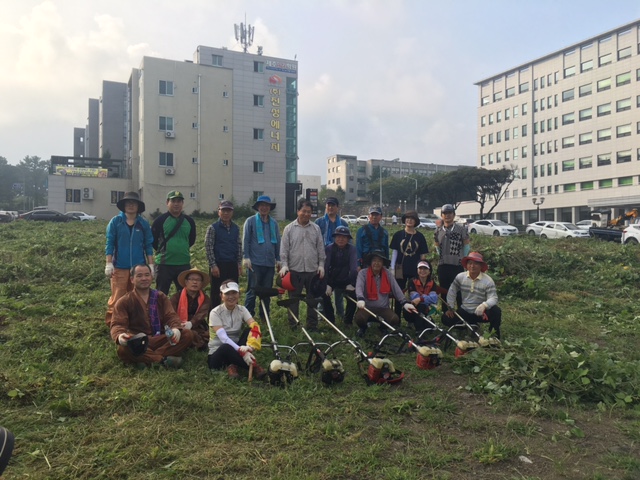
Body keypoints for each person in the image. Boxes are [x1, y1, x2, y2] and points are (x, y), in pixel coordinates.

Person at [110, 264, 194, 368]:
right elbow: (117, 324)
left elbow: (170, 316)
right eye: (139, 276)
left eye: (147, 275)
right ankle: (162, 360)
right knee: (123, 349)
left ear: (151, 277)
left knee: (187, 334)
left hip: (160, 338)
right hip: (139, 340)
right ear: (132, 279)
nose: (144, 278)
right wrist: (120, 336)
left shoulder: (160, 296)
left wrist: (176, 328)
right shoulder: (124, 301)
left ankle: (146, 359)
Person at [104, 191, 154, 326]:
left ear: (138, 206)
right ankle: (114, 324)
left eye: (134, 203)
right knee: (118, 297)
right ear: (124, 205)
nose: (131, 205)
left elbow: (148, 245)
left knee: (137, 297)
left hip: (138, 268)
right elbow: (109, 243)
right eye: (128, 203)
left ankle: (134, 323)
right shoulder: (116, 222)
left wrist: (151, 266)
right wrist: (109, 263)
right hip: (119, 266)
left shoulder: (143, 224)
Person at [279, 198, 326, 331]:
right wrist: (284, 265)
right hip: (295, 270)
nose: (306, 214)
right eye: (303, 211)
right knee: (294, 299)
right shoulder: (289, 229)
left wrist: (321, 264)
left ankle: (312, 325)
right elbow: (284, 249)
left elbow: (320, 248)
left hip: (312, 270)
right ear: (298, 211)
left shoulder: (316, 228)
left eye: (309, 212)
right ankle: (294, 325)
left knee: (312, 299)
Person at [208, 280, 266, 380]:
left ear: (239, 294)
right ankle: (254, 367)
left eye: (234, 293)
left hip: (237, 349)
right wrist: (243, 352)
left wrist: (250, 348)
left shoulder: (242, 309)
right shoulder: (215, 312)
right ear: (221, 296)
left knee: (249, 331)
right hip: (218, 354)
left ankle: (233, 366)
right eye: (227, 294)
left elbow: (255, 326)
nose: (231, 297)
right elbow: (224, 338)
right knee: (226, 347)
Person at [354, 250, 417, 337]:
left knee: (394, 319)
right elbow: (359, 287)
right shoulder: (363, 273)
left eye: (379, 261)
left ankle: (383, 327)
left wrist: (404, 302)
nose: (377, 263)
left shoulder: (387, 274)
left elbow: (396, 289)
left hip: (383, 308)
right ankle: (363, 328)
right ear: (371, 262)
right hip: (367, 307)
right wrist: (360, 298)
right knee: (359, 318)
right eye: (374, 260)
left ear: (383, 263)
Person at [443, 252, 501, 339]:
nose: (472, 266)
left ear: (481, 266)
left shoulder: (488, 280)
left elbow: (493, 297)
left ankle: (493, 335)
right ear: (466, 265)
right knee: (445, 318)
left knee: (496, 311)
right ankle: (467, 326)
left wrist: (484, 305)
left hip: (480, 313)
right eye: (470, 263)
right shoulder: (460, 277)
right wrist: (450, 307)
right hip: (465, 310)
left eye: (476, 264)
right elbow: (452, 291)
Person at [242, 195, 281, 319]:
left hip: (269, 263)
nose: (264, 208)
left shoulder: (274, 223)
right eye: (262, 205)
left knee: (266, 291)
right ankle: (248, 317)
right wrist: (246, 257)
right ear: (258, 207)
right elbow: (246, 240)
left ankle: (264, 316)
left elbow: (277, 242)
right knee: (252, 290)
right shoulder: (251, 221)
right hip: (255, 263)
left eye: (266, 206)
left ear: (270, 208)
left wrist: (278, 258)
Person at [151, 190, 197, 295]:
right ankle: (161, 312)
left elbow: (191, 240)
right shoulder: (160, 220)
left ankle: (180, 312)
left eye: (179, 201)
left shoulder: (189, 221)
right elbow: (153, 241)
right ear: (167, 202)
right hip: (164, 264)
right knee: (161, 294)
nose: (176, 204)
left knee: (184, 295)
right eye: (173, 201)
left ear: (182, 203)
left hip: (183, 263)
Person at [389, 210, 429, 316]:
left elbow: (422, 256)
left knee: (414, 293)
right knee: (398, 292)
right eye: (407, 218)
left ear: (415, 221)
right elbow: (395, 252)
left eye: (412, 219)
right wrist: (392, 268)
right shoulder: (398, 235)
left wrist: (423, 270)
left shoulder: (420, 237)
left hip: (414, 268)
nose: (409, 220)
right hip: (399, 268)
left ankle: (412, 317)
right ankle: (396, 317)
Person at [315, 196, 349, 318]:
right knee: (322, 287)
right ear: (326, 207)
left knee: (338, 290)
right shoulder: (319, 222)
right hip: (323, 259)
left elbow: (348, 242)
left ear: (337, 207)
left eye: (333, 205)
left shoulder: (343, 223)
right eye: (328, 205)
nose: (330, 207)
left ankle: (340, 313)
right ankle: (321, 313)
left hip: (339, 260)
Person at [205, 200, 242, 308]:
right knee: (216, 294)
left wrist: (239, 264)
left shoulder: (236, 228)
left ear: (232, 212)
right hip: (218, 265)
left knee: (233, 293)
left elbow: (239, 246)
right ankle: (213, 321)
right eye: (224, 210)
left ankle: (234, 320)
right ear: (219, 212)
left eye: (228, 211)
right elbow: (208, 247)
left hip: (232, 264)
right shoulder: (213, 228)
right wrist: (213, 265)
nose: (226, 213)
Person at [434, 203, 470, 313]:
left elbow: (466, 246)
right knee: (444, 291)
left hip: (457, 265)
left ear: (454, 215)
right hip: (443, 265)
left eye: (449, 213)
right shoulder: (437, 231)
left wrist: (462, 260)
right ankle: (446, 314)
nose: (447, 215)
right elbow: (437, 248)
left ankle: (461, 315)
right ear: (442, 215)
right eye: (444, 213)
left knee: (459, 292)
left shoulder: (462, 229)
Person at [323, 225, 358, 325]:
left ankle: (348, 321)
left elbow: (354, 268)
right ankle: (330, 320)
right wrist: (327, 284)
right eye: (338, 237)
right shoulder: (329, 249)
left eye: (344, 237)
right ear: (335, 237)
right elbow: (326, 267)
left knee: (353, 296)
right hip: (332, 279)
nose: (341, 239)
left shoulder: (352, 249)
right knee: (324, 294)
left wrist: (352, 283)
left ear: (348, 239)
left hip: (346, 280)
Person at [170, 268, 212, 350]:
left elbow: (201, 314)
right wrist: (178, 324)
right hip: (179, 325)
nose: (195, 282)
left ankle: (191, 343)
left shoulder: (205, 299)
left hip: (197, 326)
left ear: (201, 283)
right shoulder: (176, 297)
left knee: (210, 334)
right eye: (192, 279)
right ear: (186, 282)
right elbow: (171, 313)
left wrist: (191, 323)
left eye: (198, 280)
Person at [404, 260, 446, 331]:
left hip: (425, 310)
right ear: (417, 270)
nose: (422, 270)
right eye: (420, 268)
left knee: (431, 329)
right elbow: (414, 299)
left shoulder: (432, 283)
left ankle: (421, 325)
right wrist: (426, 298)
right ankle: (419, 331)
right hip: (411, 311)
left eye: (425, 268)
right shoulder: (412, 281)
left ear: (429, 271)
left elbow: (434, 299)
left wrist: (421, 299)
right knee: (421, 306)